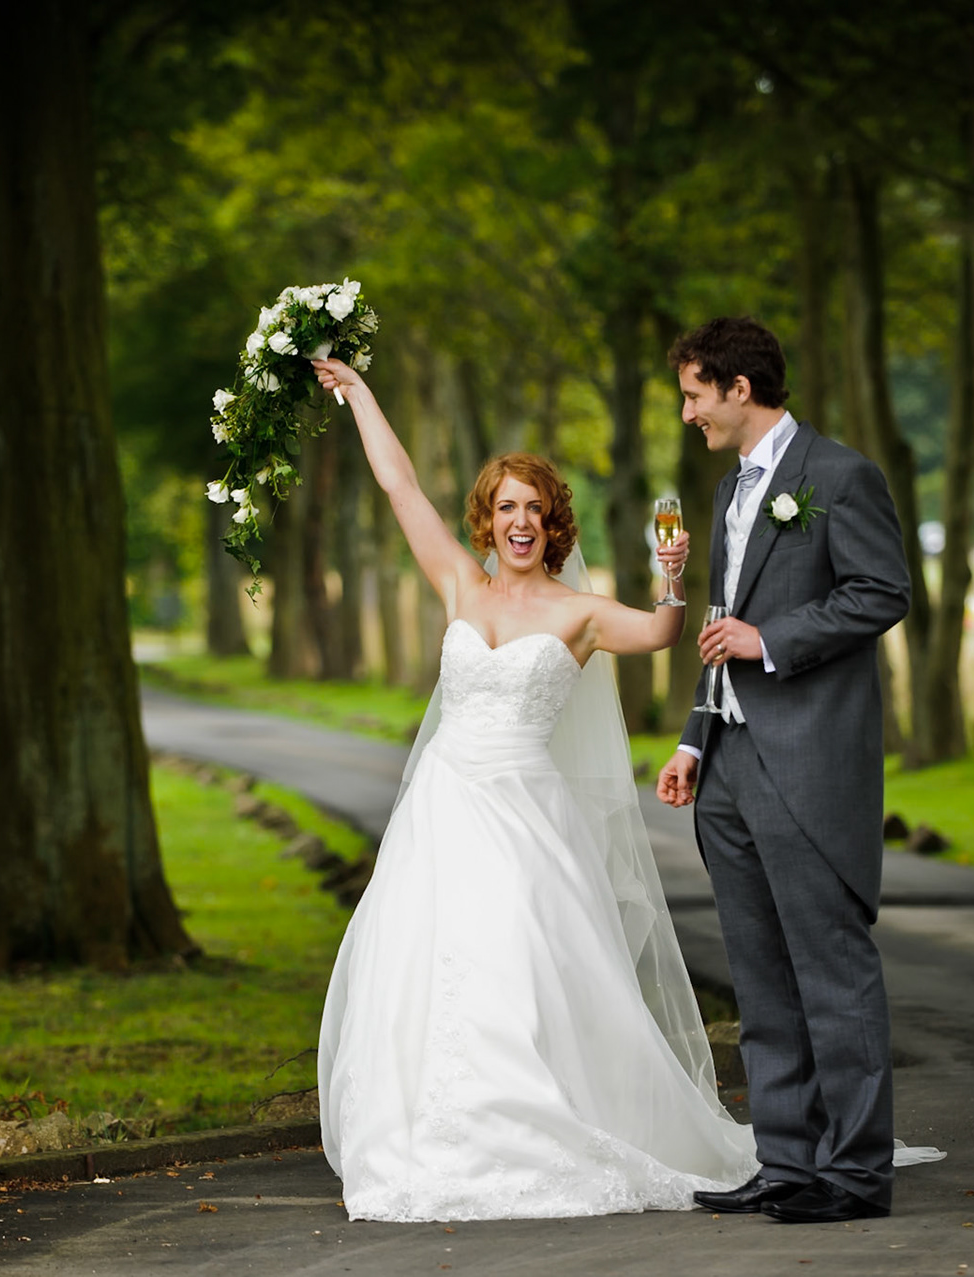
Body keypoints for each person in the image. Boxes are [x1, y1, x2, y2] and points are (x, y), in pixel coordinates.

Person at [308, 355, 761, 1222]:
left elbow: (664, 631)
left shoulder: (577, 614)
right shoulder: (458, 583)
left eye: (535, 508)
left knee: (516, 967)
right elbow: (399, 485)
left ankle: (528, 1129)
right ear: (488, 519)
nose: (521, 520)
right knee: (425, 969)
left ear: (553, 524)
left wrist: (671, 571)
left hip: (524, 814)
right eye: (506, 506)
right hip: (443, 810)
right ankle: (430, 1138)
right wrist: (362, 393)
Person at [655, 316, 914, 1224]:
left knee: (830, 974)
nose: (688, 412)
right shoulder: (728, 490)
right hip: (725, 768)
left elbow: (883, 590)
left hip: (806, 766)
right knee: (762, 980)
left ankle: (853, 1173)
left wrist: (774, 640)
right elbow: (725, 622)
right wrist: (693, 737)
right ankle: (789, 1162)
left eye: (694, 393)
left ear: (737, 387)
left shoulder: (840, 476)